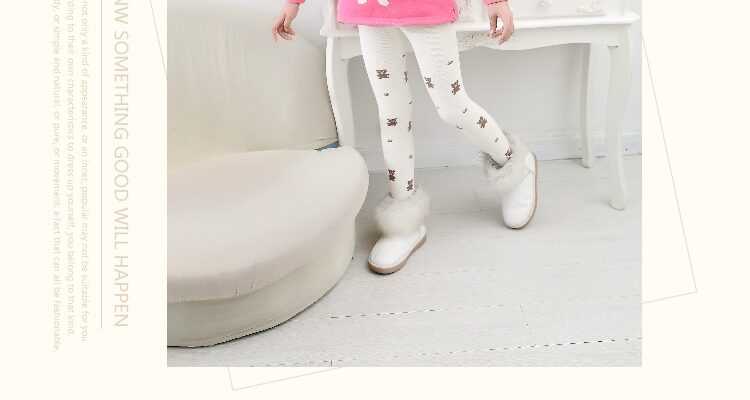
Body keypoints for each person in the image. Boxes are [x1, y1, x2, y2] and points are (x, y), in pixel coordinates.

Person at [273, 0, 537, 274]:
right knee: (392, 115)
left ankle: (514, 164)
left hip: (425, 6)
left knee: (452, 106)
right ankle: (404, 221)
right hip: (369, 9)